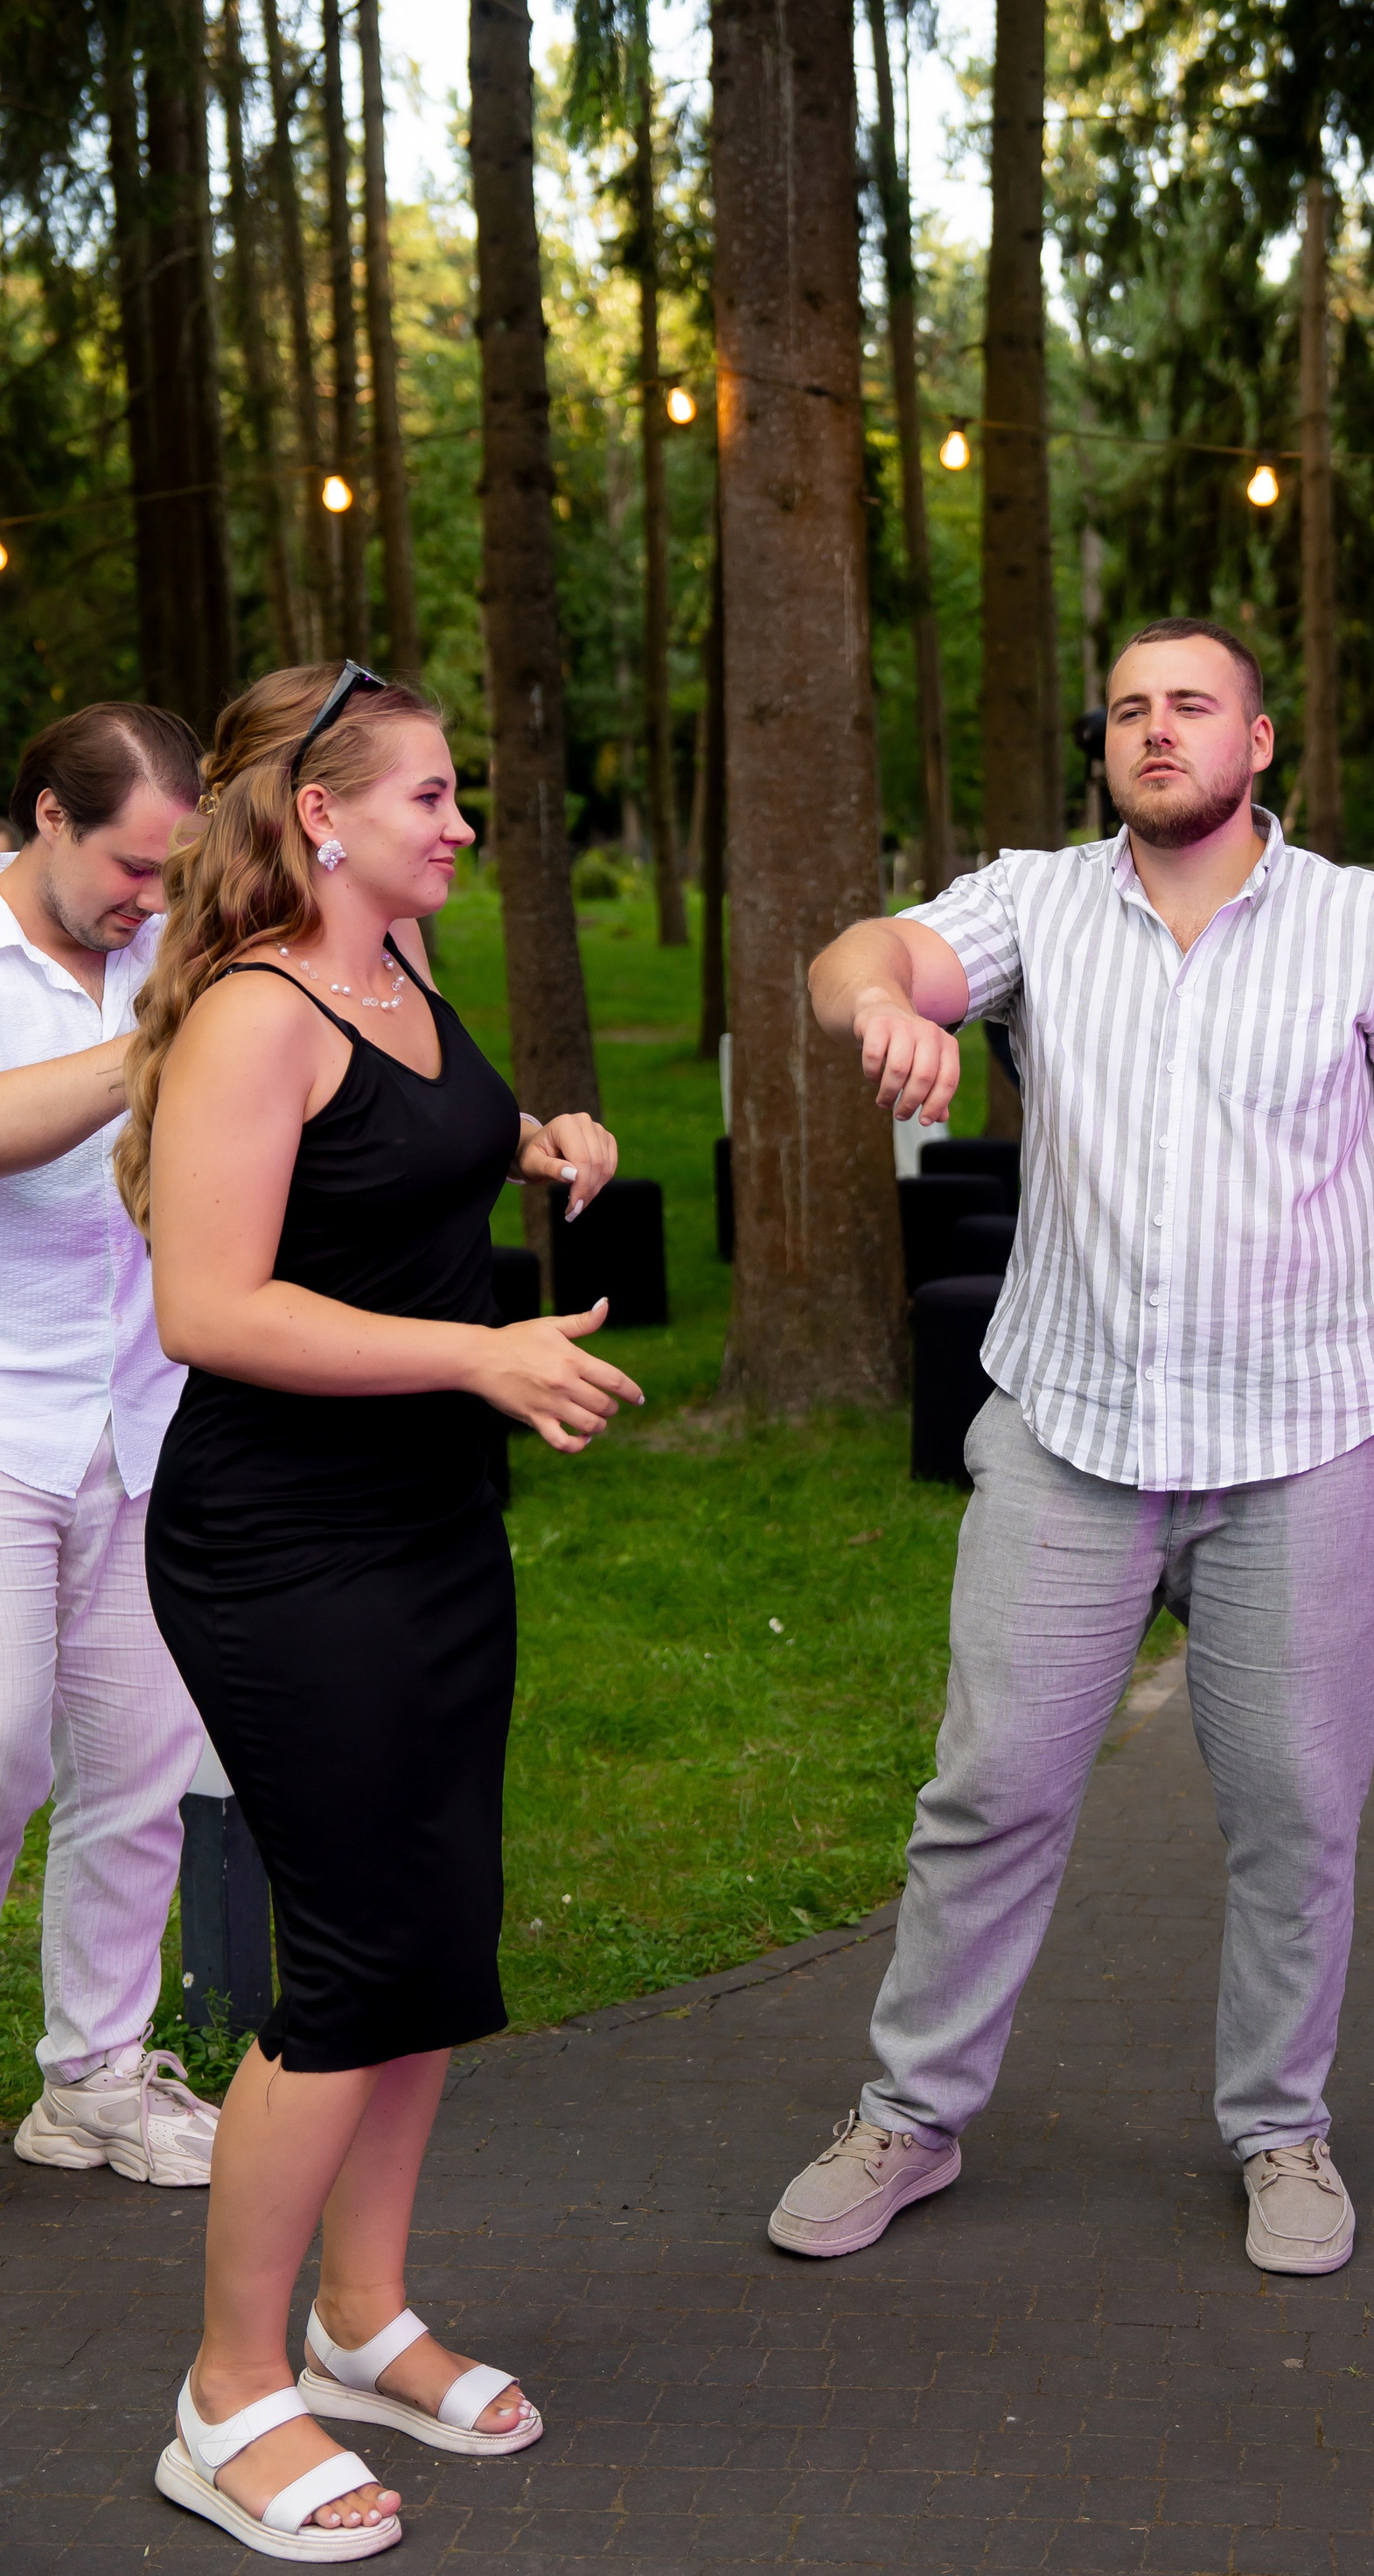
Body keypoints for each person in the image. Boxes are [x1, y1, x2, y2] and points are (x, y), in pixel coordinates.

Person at [771, 616, 1374, 2279]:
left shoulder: (1366, 927)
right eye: (1130, 707)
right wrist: (885, 1007)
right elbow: (857, 954)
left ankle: (1282, 2127)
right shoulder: (1039, 901)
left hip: (1308, 1441)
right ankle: (911, 2113)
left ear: (1256, 742)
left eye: (1192, 704)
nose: (1155, 728)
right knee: (989, 1789)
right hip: (1071, 1431)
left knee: (1295, 1809)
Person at [119, 661, 645, 2559]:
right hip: (282, 1544)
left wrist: (541, 1139)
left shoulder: (397, 973)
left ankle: (361, 2318)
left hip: (430, 1524)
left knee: (431, 1936)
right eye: (429, 794)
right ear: (321, 817)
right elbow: (210, 1306)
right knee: (348, 1963)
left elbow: (407, 1139)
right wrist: (478, 1351)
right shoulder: (254, 1011)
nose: (462, 822)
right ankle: (227, 2394)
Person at [0, 702, 223, 2188]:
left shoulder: (174, 946)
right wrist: (158, 1045)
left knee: (142, 1769)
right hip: (5, 1422)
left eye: (173, 873)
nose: (151, 899)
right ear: (48, 816)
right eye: (132, 868)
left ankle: (90, 2078)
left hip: (147, 1421)